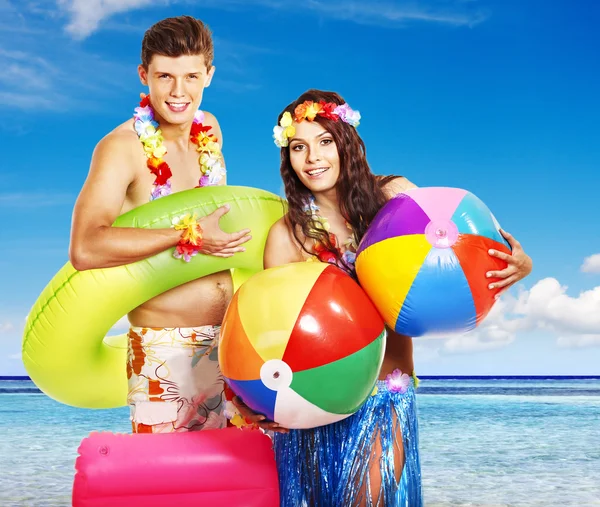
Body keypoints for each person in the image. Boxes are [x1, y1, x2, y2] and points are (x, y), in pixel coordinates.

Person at [233, 89, 533, 506]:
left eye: (325, 141)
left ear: (346, 143)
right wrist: (249, 398)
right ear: (288, 157)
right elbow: (271, 329)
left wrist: (520, 265)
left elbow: (470, 241)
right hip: (312, 405)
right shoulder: (286, 236)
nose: (313, 157)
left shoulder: (393, 196)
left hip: (383, 395)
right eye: (299, 147)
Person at [69, 16, 252, 434]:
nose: (178, 91)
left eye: (191, 76)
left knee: (234, 489)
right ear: (143, 75)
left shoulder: (211, 131)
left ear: (209, 74)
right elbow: (85, 247)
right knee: (170, 487)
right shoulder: (122, 148)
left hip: (231, 344)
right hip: (163, 349)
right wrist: (186, 235)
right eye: (165, 76)